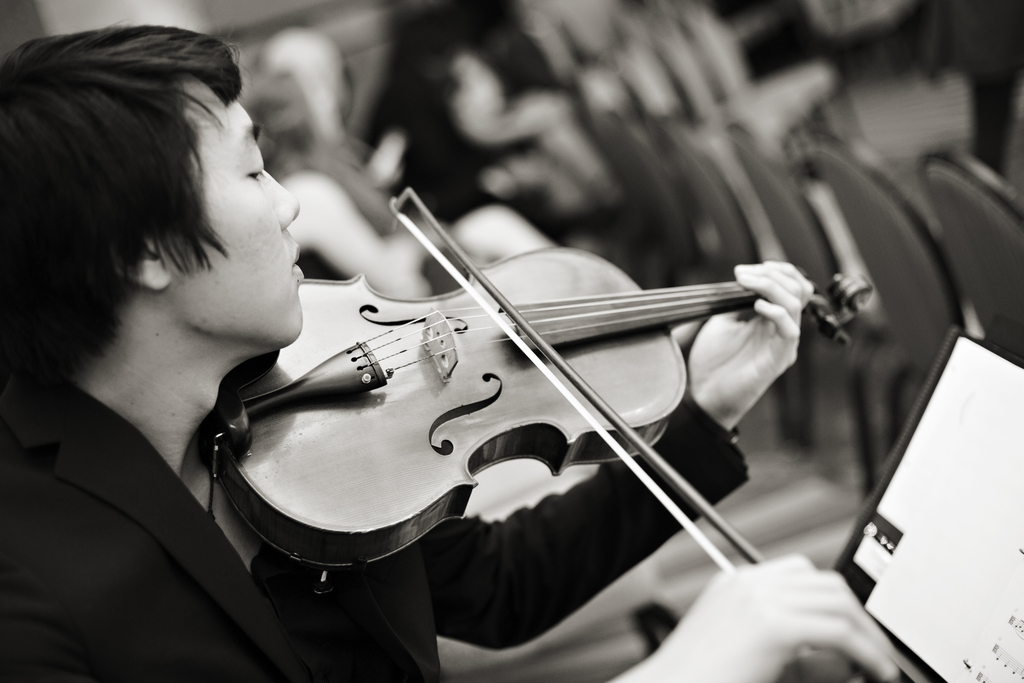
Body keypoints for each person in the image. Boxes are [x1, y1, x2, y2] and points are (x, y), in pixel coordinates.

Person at [0, 26, 900, 683]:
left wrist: (705, 409)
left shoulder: (285, 411)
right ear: (142, 253)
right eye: (249, 173)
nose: (289, 206)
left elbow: (500, 588)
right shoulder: (29, 589)